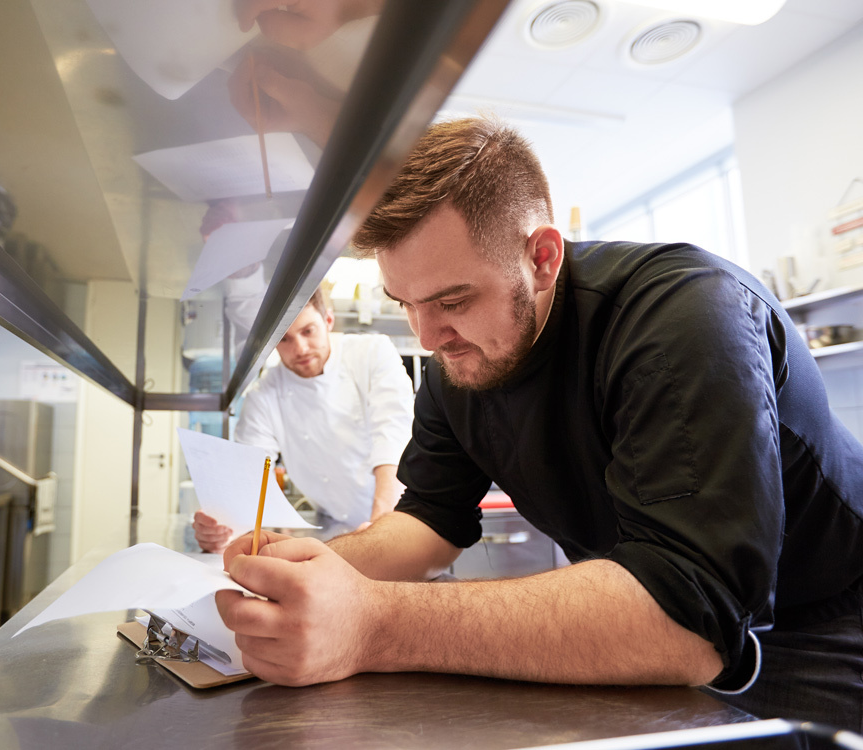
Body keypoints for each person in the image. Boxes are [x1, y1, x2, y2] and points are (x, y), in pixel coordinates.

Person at [214, 117, 863, 731]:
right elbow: (427, 524)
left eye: (453, 300)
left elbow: (687, 615)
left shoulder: (682, 316)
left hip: (827, 624)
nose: (428, 335)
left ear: (544, 258)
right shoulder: (457, 368)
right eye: (405, 303)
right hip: (663, 631)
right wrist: (300, 573)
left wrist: (371, 622)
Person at [193, 287, 414, 552]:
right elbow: (248, 475)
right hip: (336, 527)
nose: (300, 348)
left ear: (328, 321)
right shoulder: (264, 395)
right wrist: (220, 527)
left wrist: (381, 527)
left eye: (308, 331)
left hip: (403, 517)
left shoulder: (371, 353)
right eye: (284, 339)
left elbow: (393, 438)